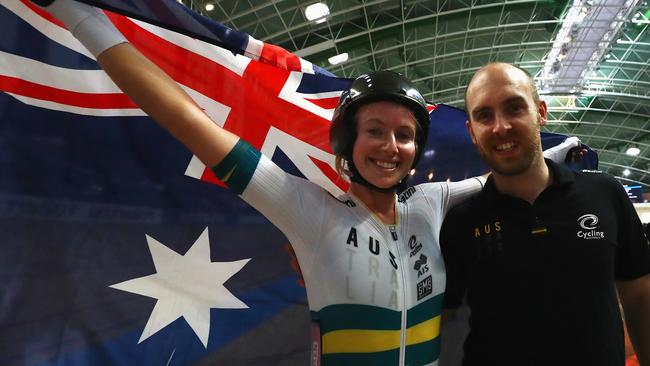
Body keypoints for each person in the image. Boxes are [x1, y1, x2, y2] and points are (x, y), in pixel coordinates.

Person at [31, 2, 579, 365]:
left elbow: (507, 169)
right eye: (375, 131)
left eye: (405, 135)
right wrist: (82, 19)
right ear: (347, 142)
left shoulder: (433, 202)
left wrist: (558, 149)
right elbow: (187, 120)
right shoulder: (306, 209)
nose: (391, 146)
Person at [440, 62, 650, 366]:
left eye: (514, 108)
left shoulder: (604, 193)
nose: (501, 127)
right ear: (472, 132)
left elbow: (639, 295)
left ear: (540, 111)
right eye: (485, 116)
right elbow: (437, 321)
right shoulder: (460, 222)